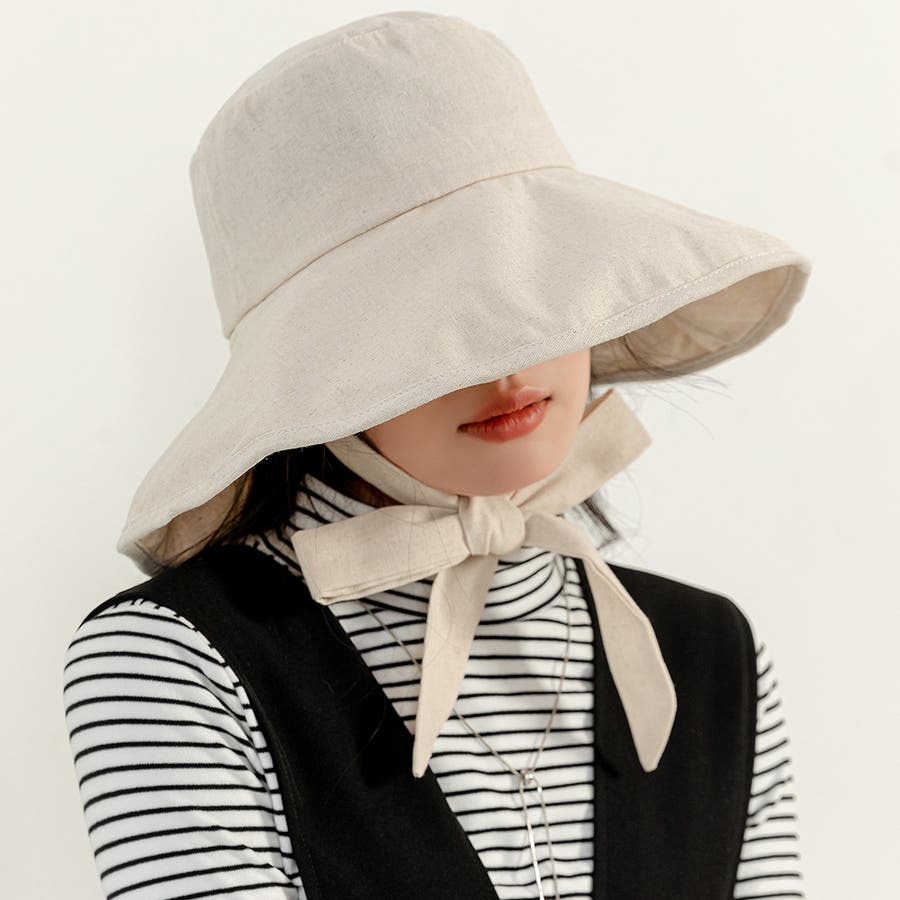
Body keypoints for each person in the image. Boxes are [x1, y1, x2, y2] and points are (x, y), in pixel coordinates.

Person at [63, 10, 811, 899]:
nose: (505, 365)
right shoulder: (175, 660)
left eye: (535, 289)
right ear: (309, 372)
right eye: (430, 325)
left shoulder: (709, 654)